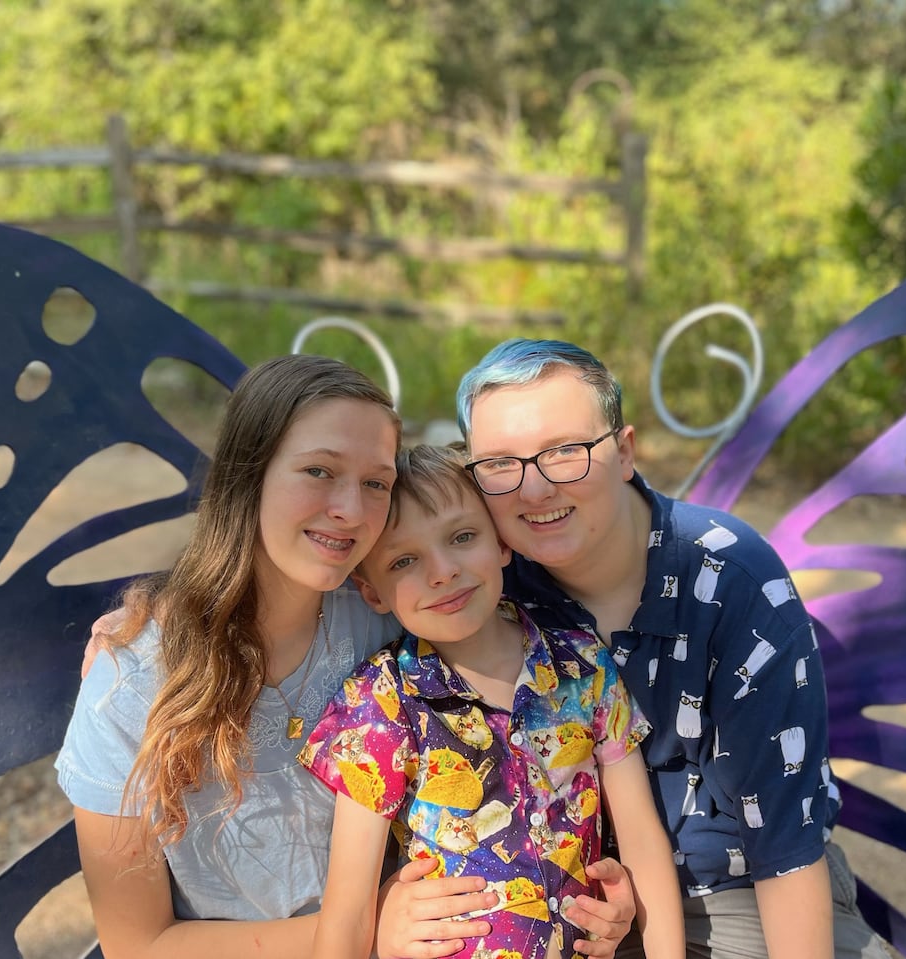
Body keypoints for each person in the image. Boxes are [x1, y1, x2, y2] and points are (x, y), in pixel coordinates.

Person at [58, 353, 635, 959]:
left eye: (376, 483)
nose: (353, 511)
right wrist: (366, 928)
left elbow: (502, 574)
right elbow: (136, 945)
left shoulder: (388, 613)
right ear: (246, 475)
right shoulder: (131, 682)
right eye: (317, 471)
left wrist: (605, 896)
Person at [455, 339, 892, 959]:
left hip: (737, 892)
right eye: (500, 464)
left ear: (625, 451)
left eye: (564, 452)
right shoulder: (480, 586)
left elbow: (784, 846)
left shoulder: (729, 578)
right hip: (560, 904)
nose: (535, 489)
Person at [301, 444, 684, 959]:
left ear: (502, 542)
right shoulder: (380, 701)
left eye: (462, 537)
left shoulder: (583, 666)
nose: (442, 571)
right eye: (404, 559)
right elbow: (347, 914)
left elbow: (641, 837)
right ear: (373, 593)